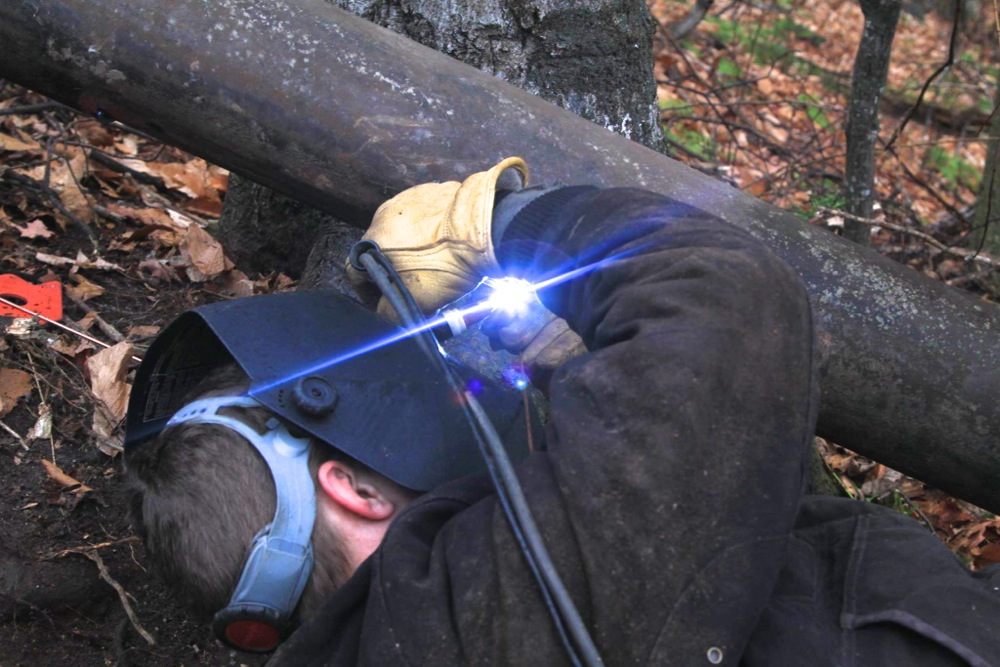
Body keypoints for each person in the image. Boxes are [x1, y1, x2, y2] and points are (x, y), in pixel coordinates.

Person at [125, 158, 1000, 665]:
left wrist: (569, 383)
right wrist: (506, 226)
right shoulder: (483, 616)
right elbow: (731, 302)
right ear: (348, 486)